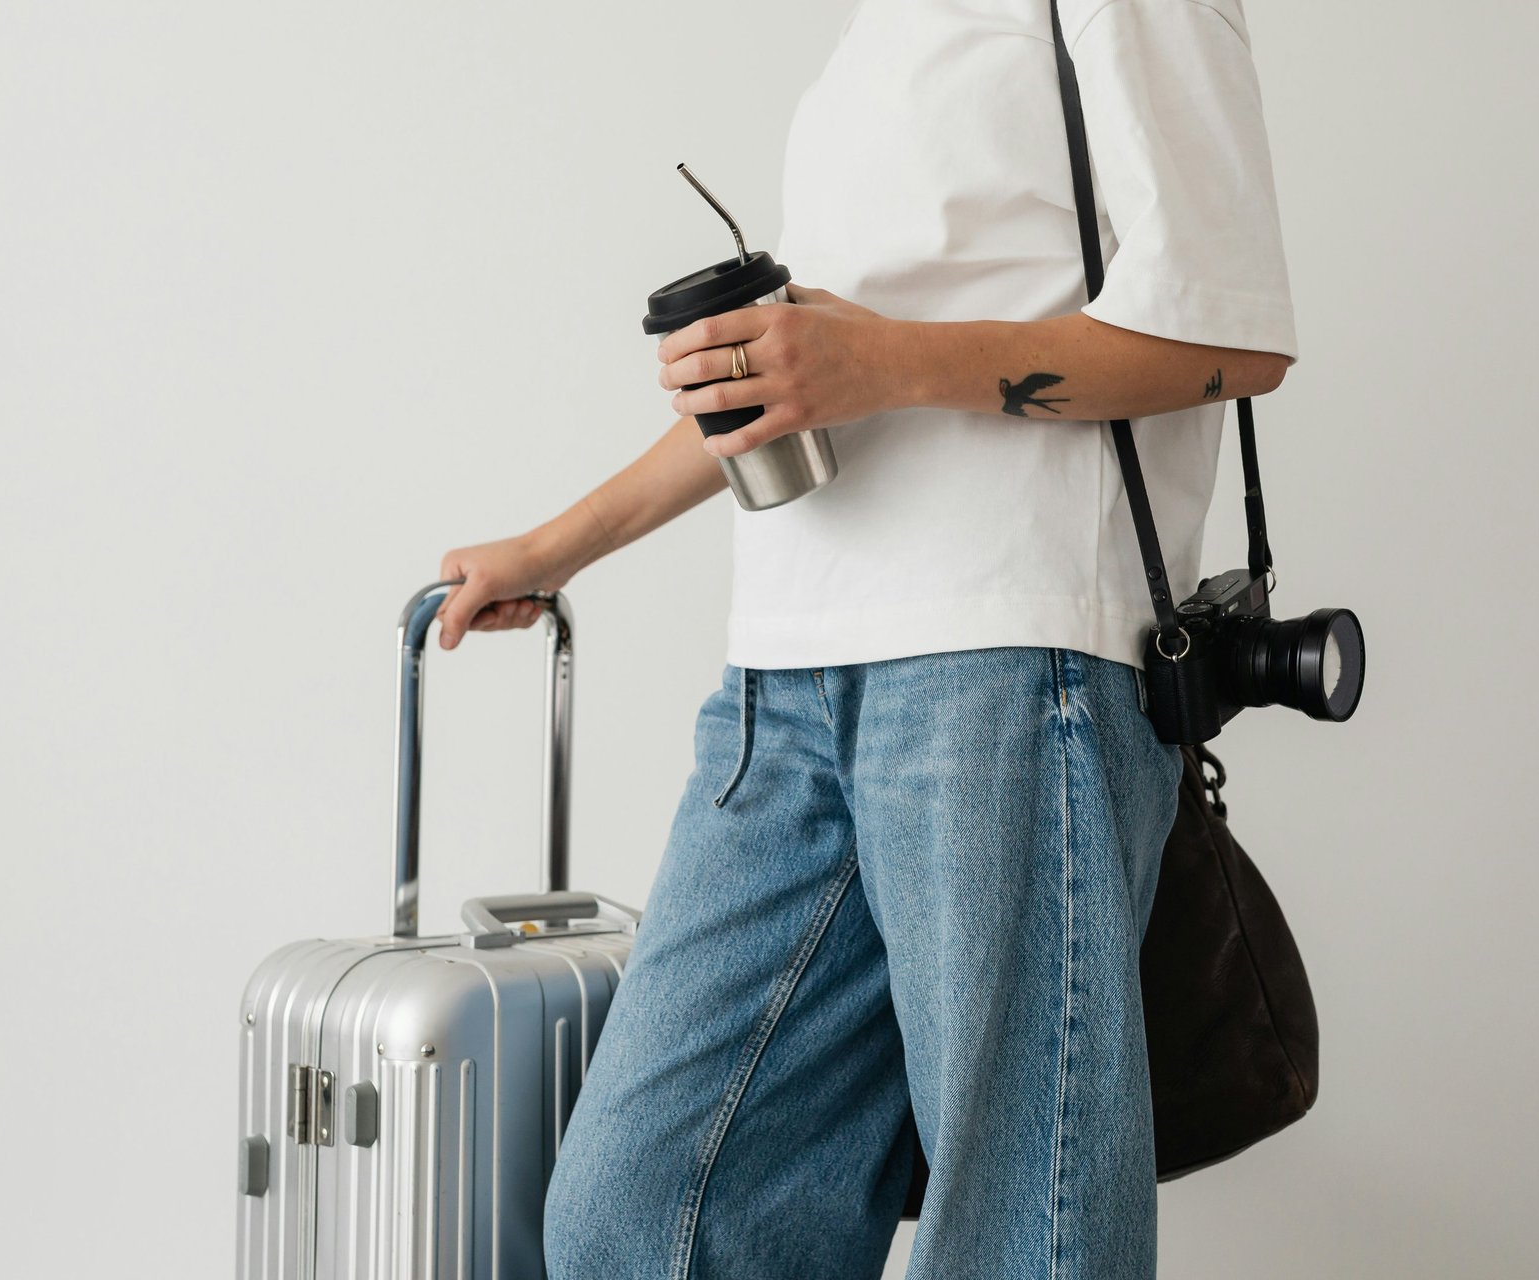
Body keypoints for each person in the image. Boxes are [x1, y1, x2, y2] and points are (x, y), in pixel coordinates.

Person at [436, 0, 1296, 1273]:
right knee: (648, 1218)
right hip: (782, 683)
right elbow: (809, 379)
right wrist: (555, 547)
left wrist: (885, 360)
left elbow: (1233, 334)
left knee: (1018, 1226)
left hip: (1010, 665)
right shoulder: (879, 31)